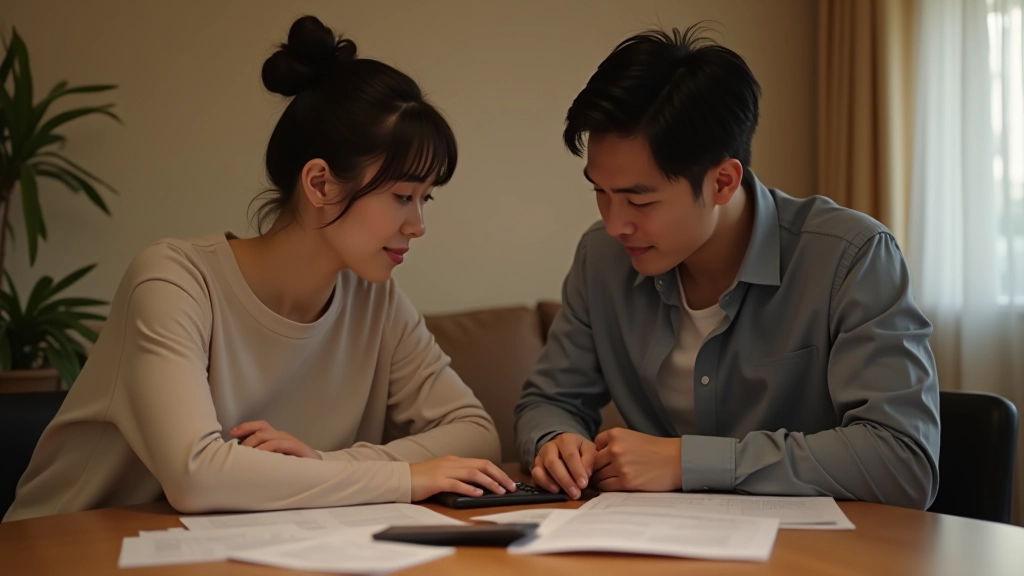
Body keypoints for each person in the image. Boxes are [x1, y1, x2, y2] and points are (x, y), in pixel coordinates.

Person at [4, 15, 513, 523]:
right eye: (403, 196)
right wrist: (403, 477)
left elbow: (474, 431)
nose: (418, 225)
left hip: (224, 546)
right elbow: (197, 475)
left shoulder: (374, 298)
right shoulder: (173, 281)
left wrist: (329, 464)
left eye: (426, 199)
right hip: (65, 544)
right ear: (319, 184)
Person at [514, 26, 940, 509]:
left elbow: (903, 460)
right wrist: (556, 441)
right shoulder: (601, 259)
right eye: (600, 192)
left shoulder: (850, 257)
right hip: (655, 541)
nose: (614, 225)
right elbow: (549, 402)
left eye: (639, 199)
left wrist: (687, 462)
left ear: (722, 181)